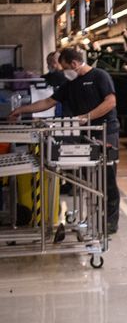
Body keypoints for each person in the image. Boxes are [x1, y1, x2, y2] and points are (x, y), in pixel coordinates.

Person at [8, 47, 121, 234]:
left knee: (107, 178)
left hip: (105, 132)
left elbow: (110, 102)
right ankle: (94, 215)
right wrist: (21, 110)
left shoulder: (100, 76)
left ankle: (110, 221)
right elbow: (47, 102)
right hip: (84, 134)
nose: (62, 72)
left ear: (74, 64)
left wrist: (86, 117)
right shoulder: (70, 85)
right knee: (88, 180)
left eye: (64, 67)